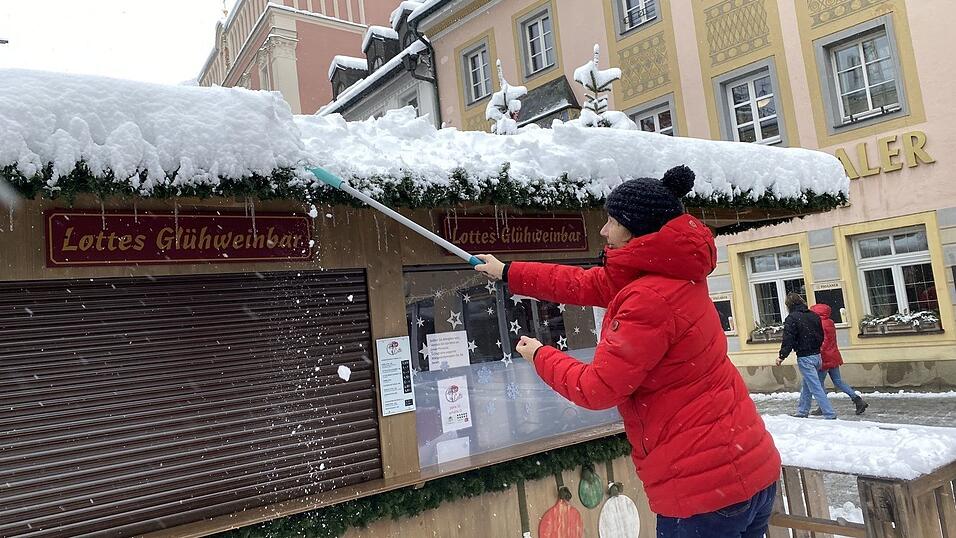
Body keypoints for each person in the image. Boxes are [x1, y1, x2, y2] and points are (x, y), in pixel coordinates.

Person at [475, 165, 781, 538]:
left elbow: (598, 388)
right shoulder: (670, 272)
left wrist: (540, 355)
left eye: (612, 220)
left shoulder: (648, 298)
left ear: (635, 229)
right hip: (748, 468)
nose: (603, 230)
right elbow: (582, 283)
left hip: (703, 494)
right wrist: (509, 272)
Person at [775, 293, 835, 419]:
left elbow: (788, 339)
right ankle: (802, 411)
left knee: (815, 387)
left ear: (788, 305)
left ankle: (829, 413)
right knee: (808, 385)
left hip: (805, 357)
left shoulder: (792, 318)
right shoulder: (813, 315)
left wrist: (782, 356)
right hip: (817, 355)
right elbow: (820, 335)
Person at [809, 303, 868, 415]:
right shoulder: (830, 322)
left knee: (819, 384)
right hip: (833, 355)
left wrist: (816, 350)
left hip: (825, 358)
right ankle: (857, 399)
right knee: (838, 381)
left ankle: (823, 406)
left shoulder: (820, 324)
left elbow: (824, 342)